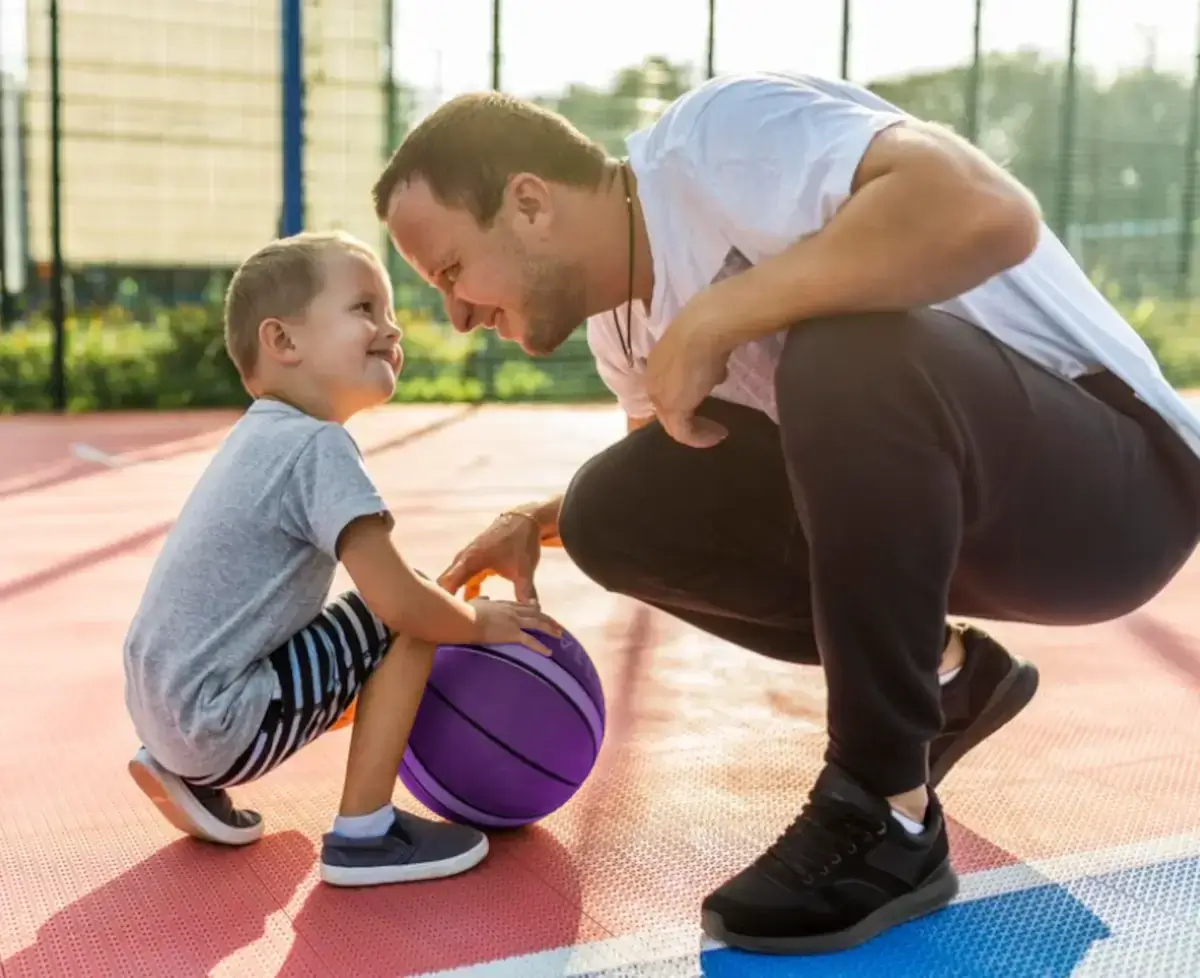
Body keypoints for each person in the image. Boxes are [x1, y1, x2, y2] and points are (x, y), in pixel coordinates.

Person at [372, 71, 1200, 954]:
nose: (455, 315)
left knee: (847, 353)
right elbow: (705, 495)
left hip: (1119, 491)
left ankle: (887, 811)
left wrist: (719, 317)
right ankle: (948, 677)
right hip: (970, 511)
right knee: (615, 508)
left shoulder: (718, 141)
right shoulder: (620, 328)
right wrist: (543, 519)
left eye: (452, 270)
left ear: (530, 203)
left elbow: (986, 211)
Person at [122, 230, 562, 888]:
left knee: (364, 630)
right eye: (363, 309)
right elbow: (398, 603)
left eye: (389, 313)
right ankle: (366, 834)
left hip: (160, 706)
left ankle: (183, 772)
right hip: (220, 721)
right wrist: (479, 624)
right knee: (405, 614)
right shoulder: (317, 448)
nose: (390, 328)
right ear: (283, 342)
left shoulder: (257, 437)